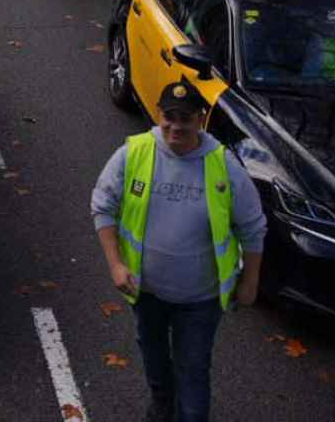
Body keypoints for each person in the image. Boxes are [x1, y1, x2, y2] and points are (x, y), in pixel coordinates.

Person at [91, 80, 267, 422]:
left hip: (200, 300)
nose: (175, 125)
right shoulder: (135, 152)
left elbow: (253, 226)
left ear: (200, 119)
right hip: (147, 293)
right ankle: (161, 409)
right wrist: (115, 264)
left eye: (185, 118)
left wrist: (250, 281)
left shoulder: (223, 165)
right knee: (155, 359)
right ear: (159, 114)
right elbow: (103, 206)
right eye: (168, 116)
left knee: (193, 370)